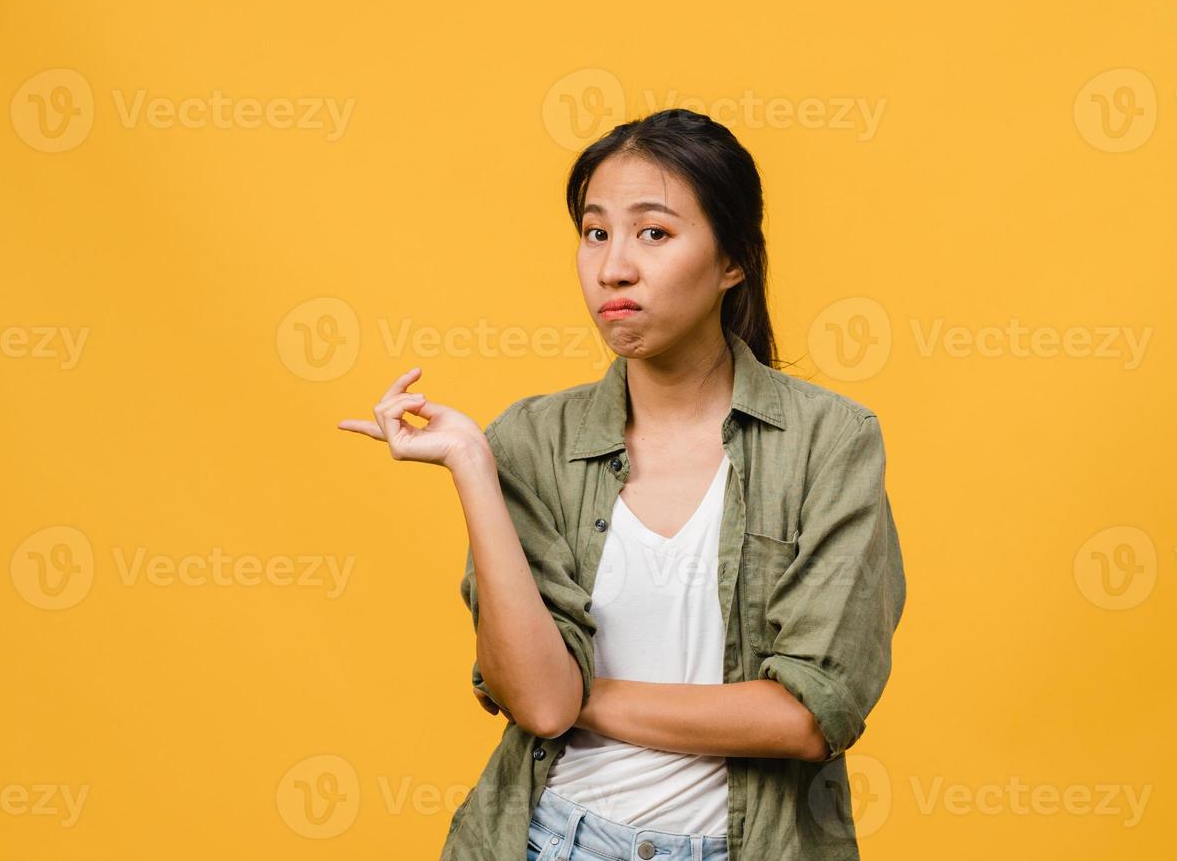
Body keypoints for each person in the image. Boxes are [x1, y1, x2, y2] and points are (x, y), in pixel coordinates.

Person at [338, 108, 906, 860]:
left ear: (733, 260)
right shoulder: (531, 441)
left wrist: (583, 698)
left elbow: (805, 718)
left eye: (655, 233)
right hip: (552, 840)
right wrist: (473, 465)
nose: (614, 267)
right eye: (596, 232)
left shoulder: (830, 442)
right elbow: (537, 703)